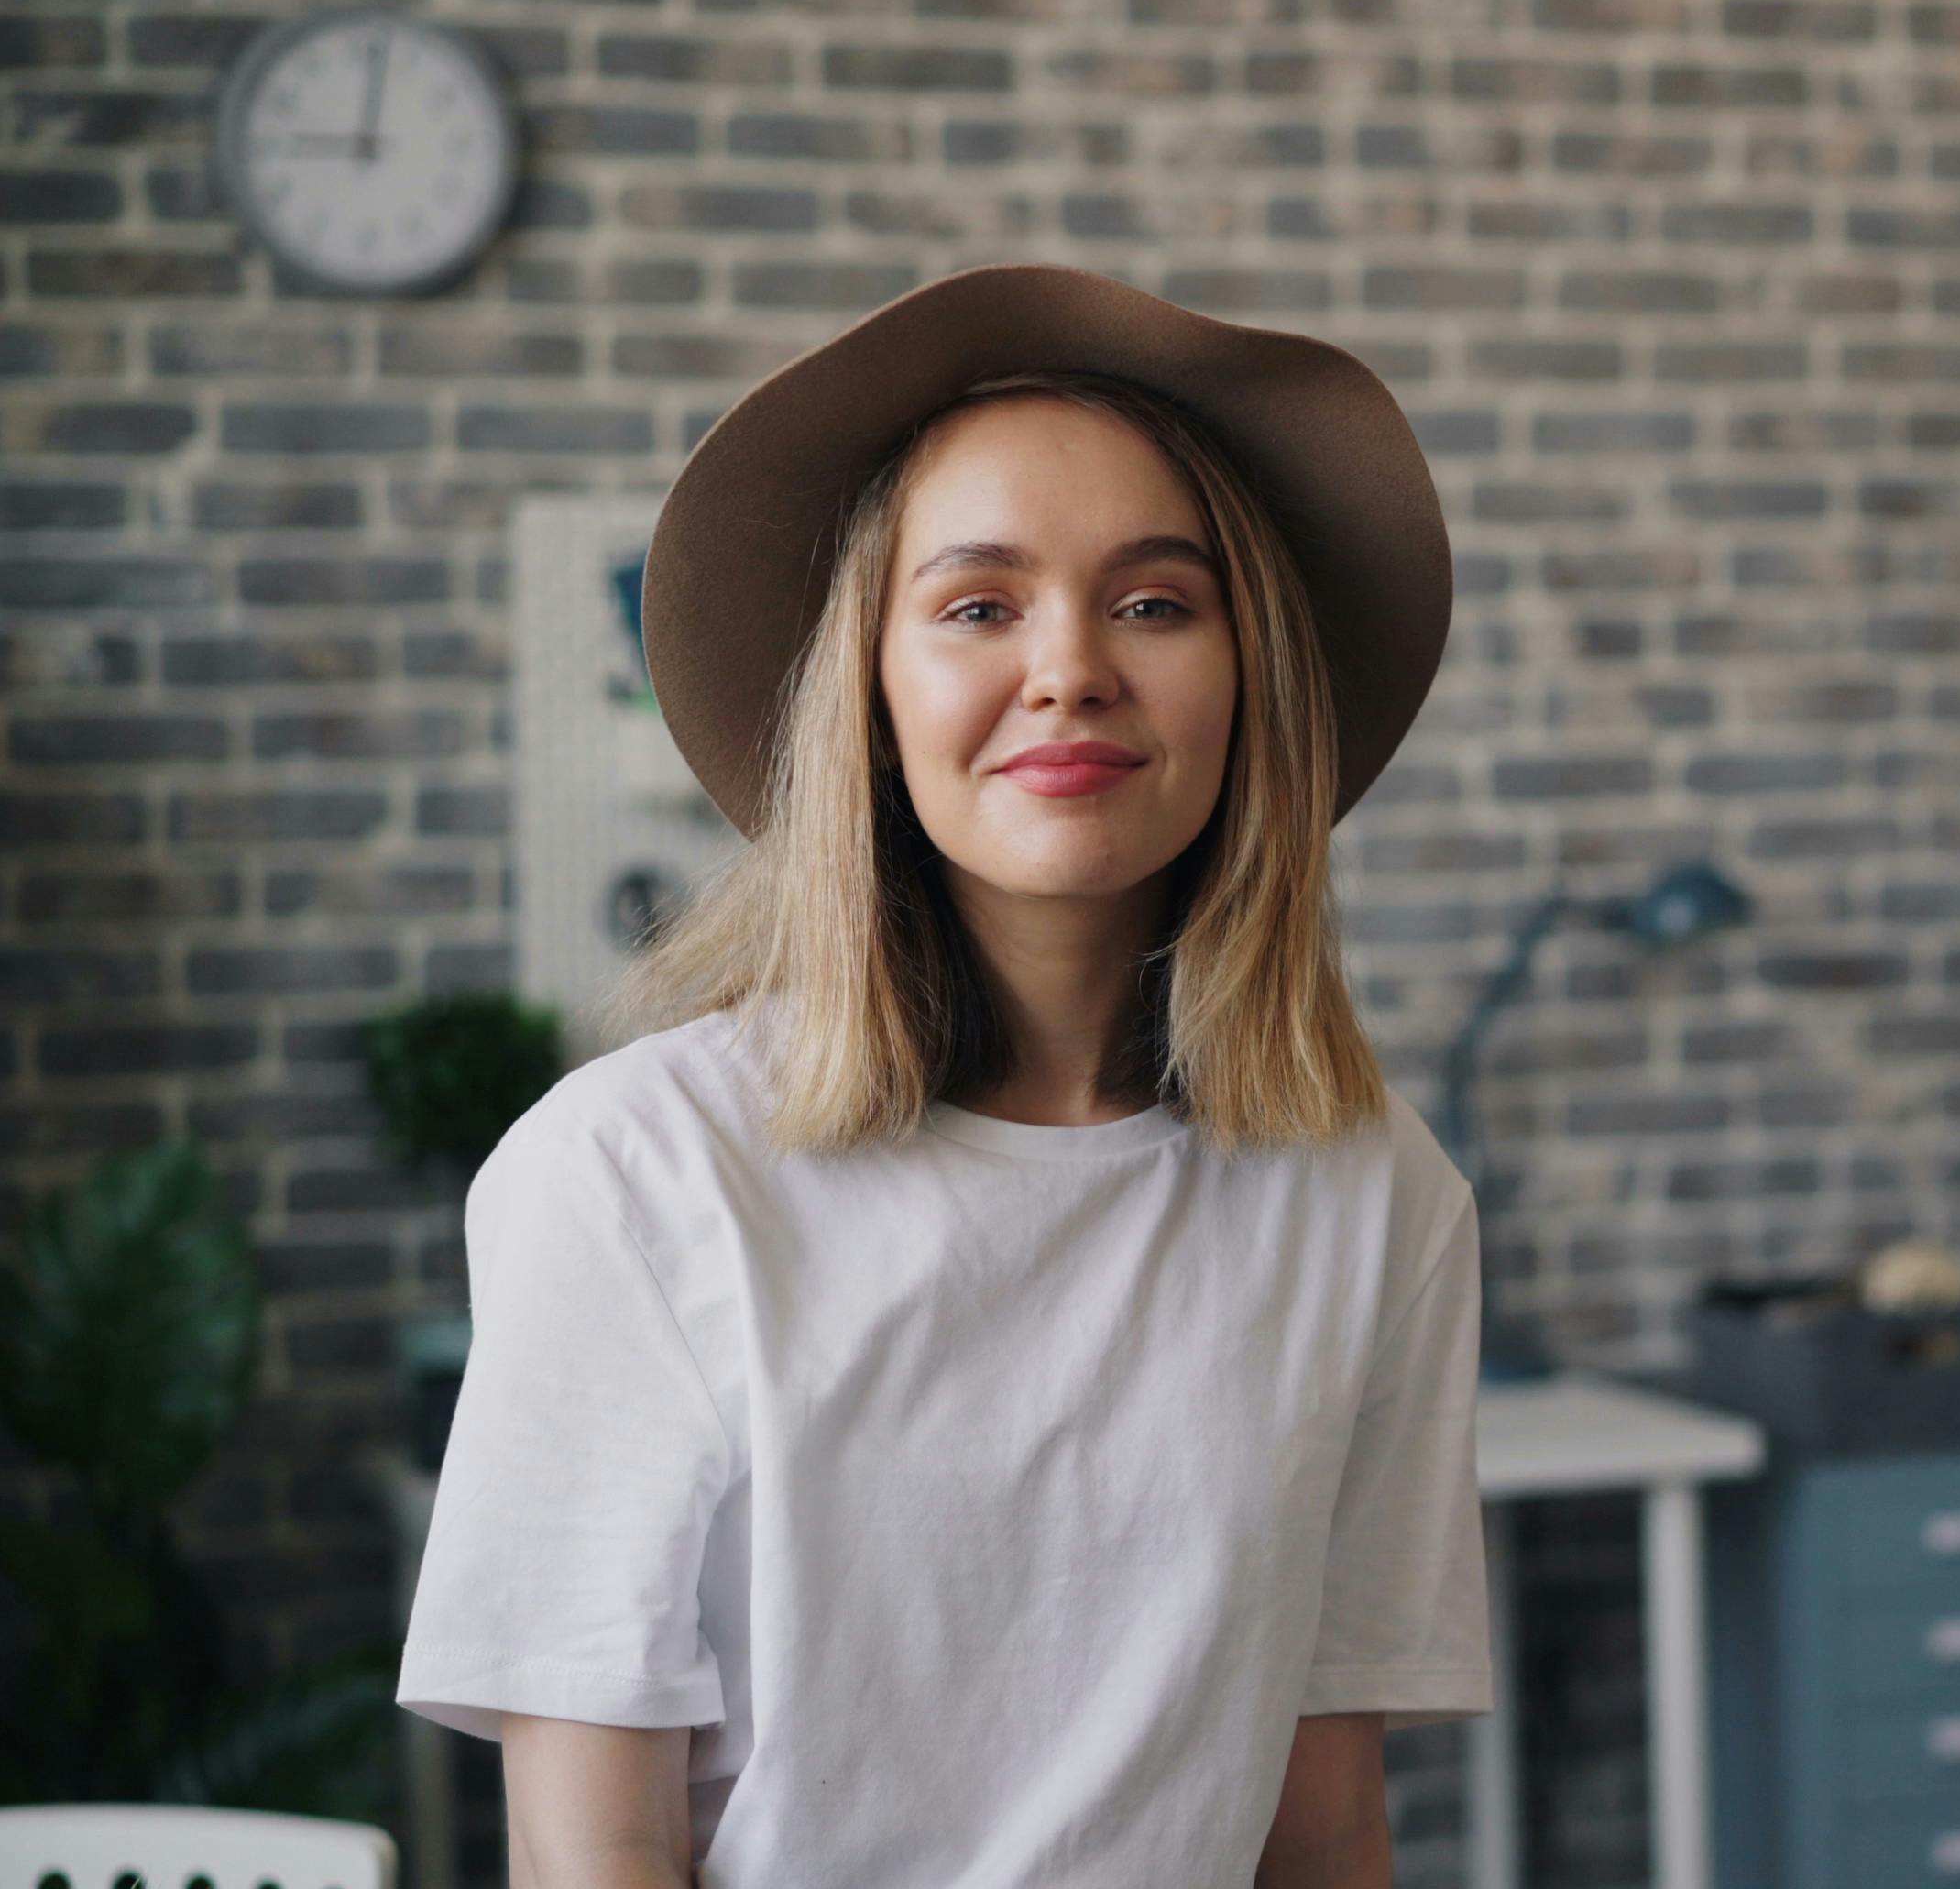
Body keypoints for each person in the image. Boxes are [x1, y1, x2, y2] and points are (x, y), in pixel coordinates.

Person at [392, 263, 1484, 1887]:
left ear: (1251, 684)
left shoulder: (1373, 1191)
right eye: (979, 605)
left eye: (1156, 602)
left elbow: (1323, 1826)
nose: (1070, 670)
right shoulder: (633, 1175)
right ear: (871, 691)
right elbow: (590, 1859)